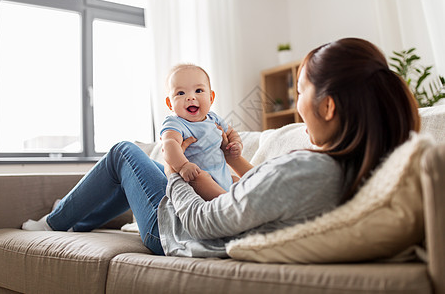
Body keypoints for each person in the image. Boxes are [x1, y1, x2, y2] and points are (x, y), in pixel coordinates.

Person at [22, 38, 420, 258]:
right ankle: (75, 221)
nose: (297, 105)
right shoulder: (350, 164)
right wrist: (235, 161)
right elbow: (268, 193)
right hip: (207, 202)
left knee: (124, 152)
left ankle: (54, 224)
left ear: (328, 106)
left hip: (176, 232)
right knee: (128, 166)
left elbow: (203, 222)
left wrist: (176, 173)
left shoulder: (310, 172)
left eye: (299, 92)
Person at [161, 64, 242, 200]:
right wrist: (183, 166)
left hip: (224, 177)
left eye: (198, 90)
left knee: (237, 181)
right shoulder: (175, 123)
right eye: (181, 93)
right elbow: (169, 145)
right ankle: (228, 203)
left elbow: (231, 132)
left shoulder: (213, 118)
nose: (191, 97)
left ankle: (236, 199)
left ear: (211, 98)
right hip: (197, 180)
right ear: (170, 104)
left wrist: (236, 143)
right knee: (202, 177)